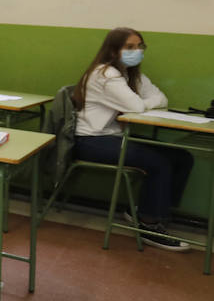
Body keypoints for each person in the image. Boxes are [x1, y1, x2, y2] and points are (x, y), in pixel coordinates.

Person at [73, 27, 193, 251]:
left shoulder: (130, 74)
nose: (136, 51)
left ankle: (149, 211)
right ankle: (149, 225)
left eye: (139, 46)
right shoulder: (106, 74)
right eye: (129, 47)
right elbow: (138, 106)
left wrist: (140, 103)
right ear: (113, 50)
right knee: (159, 163)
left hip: (112, 137)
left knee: (182, 157)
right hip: (90, 141)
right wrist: (141, 103)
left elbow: (161, 98)